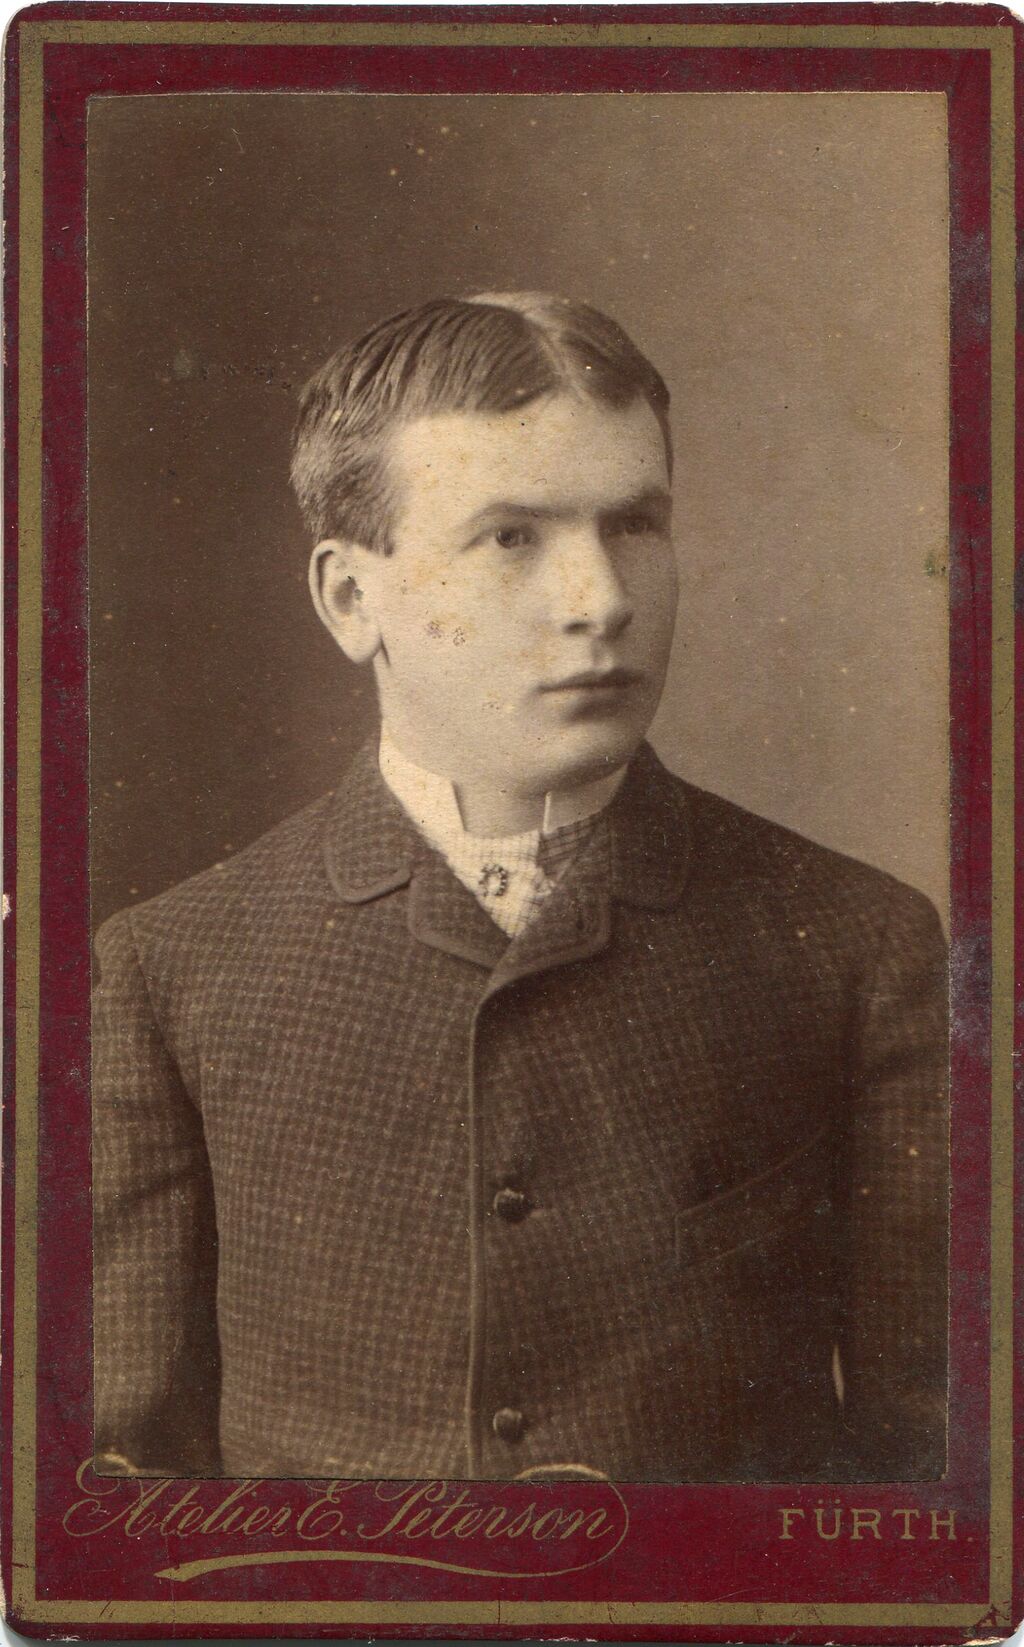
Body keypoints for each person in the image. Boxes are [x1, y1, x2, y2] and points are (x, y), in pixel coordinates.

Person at [92, 292, 948, 1483]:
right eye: (510, 538)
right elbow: (126, 1487)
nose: (600, 601)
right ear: (350, 599)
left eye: (634, 524)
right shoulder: (173, 966)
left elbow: (934, 1472)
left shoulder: (858, 945)